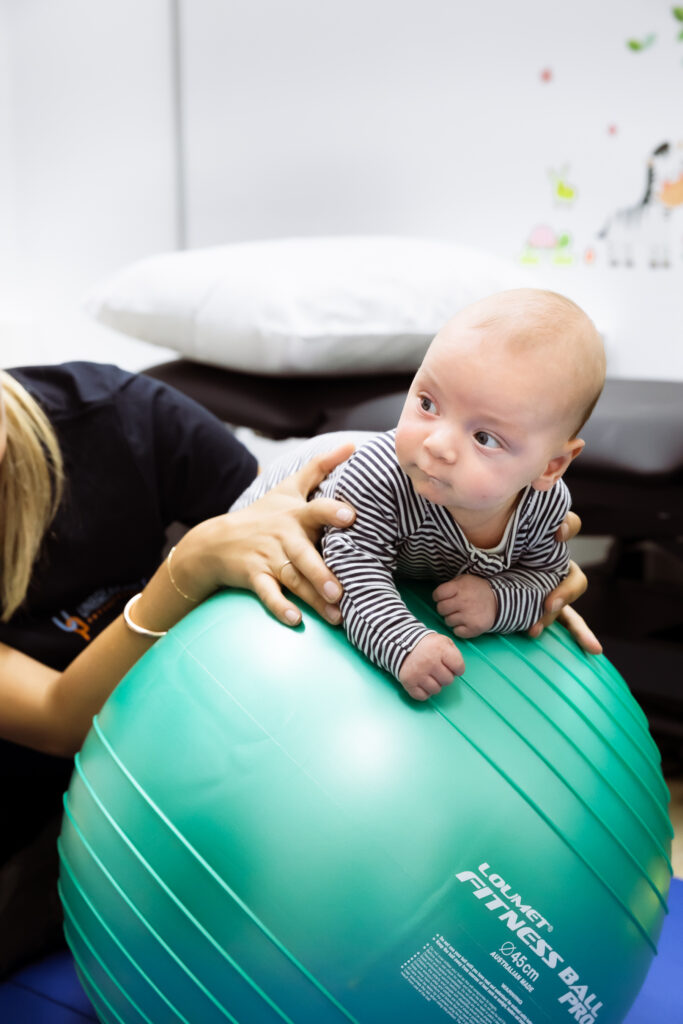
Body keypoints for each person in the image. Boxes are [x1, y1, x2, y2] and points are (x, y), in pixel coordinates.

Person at [0, 357, 594, 975]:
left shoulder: (118, 413)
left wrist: (506, 566)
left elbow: (288, 509)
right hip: (43, 795)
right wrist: (188, 568)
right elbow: (55, 719)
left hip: (221, 772)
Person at [233, 289, 605, 700]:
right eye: (427, 403)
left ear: (550, 466)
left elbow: (546, 578)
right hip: (260, 529)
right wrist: (404, 644)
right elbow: (351, 571)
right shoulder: (378, 479)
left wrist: (498, 601)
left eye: (484, 437)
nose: (437, 445)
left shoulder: (544, 508)